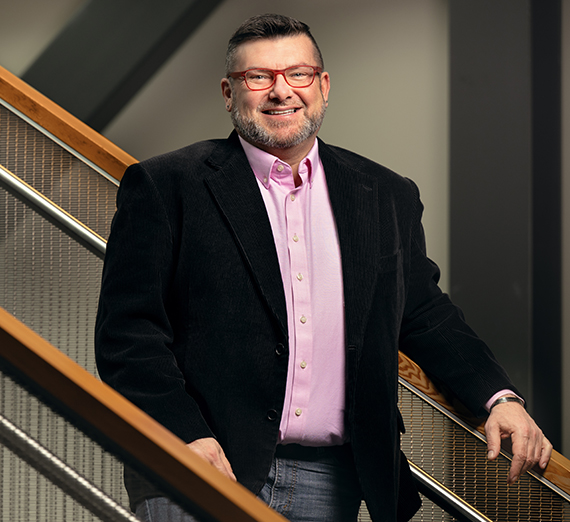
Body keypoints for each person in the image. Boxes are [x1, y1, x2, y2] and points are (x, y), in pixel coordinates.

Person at [95, 13, 552, 522]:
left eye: (298, 74)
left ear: (323, 86)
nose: (280, 90)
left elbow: (424, 315)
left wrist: (499, 398)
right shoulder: (165, 186)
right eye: (258, 77)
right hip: (200, 462)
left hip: (331, 479)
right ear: (229, 92)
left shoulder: (385, 195)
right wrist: (182, 434)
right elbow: (128, 335)